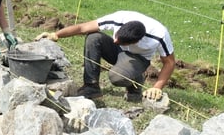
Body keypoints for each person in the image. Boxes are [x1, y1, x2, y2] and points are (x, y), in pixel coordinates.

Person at [36, 11, 175, 102]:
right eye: (116, 36)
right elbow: (83, 28)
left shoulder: (159, 34)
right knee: (94, 37)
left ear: (137, 41)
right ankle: (91, 87)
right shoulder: (120, 18)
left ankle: (136, 79)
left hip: (138, 58)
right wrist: (56, 35)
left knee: (116, 77)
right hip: (117, 51)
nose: (114, 40)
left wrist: (157, 87)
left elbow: (169, 63)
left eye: (120, 40)